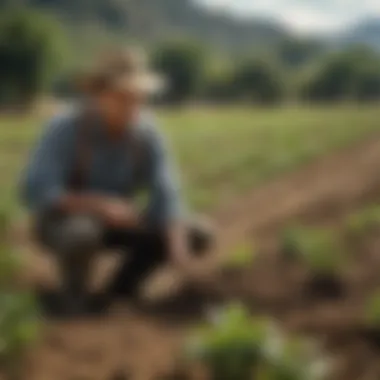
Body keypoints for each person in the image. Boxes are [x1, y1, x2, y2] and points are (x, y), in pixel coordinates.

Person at [20, 47, 214, 315]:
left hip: (121, 220)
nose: (133, 105)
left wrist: (178, 249)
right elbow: (37, 190)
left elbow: (167, 192)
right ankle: (74, 300)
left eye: (139, 98)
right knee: (82, 232)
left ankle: (120, 291)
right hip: (63, 223)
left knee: (196, 233)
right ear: (99, 94)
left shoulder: (146, 133)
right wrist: (101, 205)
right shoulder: (65, 127)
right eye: (124, 97)